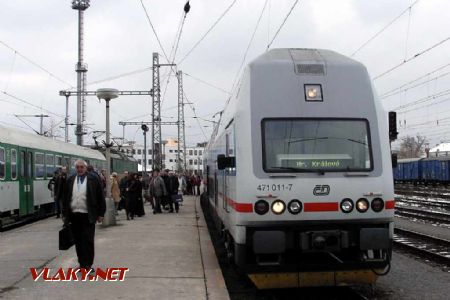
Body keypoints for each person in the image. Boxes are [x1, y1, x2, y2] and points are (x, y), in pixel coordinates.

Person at [62, 159, 105, 273]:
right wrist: (65, 214)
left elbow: (100, 196)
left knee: (88, 240)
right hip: (74, 215)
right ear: (75, 168)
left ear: (86, 168)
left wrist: (101, 214)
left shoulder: (93, 179)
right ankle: (81, 264)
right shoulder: (71, 179)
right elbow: (65, 198)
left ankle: (88, 265)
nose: (80, 169)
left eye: (82, 167)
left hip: (88, 215)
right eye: (78, 167)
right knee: (78, 241)